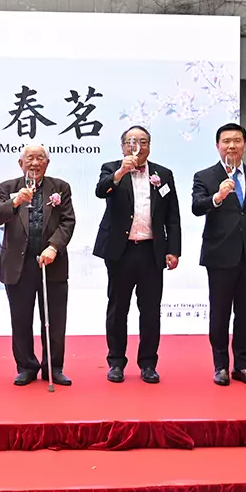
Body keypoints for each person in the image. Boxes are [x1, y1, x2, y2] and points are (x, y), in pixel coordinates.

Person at [93, 125, 182, 384]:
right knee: (118, 309)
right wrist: (121, 171)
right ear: (122, 146)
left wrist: (173, 249)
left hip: (151, 251)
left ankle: (148, 364)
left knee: (151, 311)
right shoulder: (111, 168)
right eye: (131, 141)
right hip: (120, 252)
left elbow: (172, 216)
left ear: (149, 146)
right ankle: (116, 362)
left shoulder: (163, 174)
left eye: (143, 142)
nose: (137, 146)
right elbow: (100, 191)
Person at [190, 122, 246, 387]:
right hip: (220, 256)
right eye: (226, 141)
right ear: (218, 146)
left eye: (237, 140)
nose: (232, 146)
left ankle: (242, 366)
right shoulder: (205, 176)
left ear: (244, 145)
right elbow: (196, 207)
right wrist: (217, 197)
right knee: (220, 313)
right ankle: (220, 366)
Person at [0, 145, 76, 386]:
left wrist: (54, 247)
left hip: (52, 263)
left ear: (47, 163)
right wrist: (15, 201)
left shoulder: (60, 188)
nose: (35, 163)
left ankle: (53, 368)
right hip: (19, 265)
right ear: (21, 163)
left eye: (40, 158)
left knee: (54, 320)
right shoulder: (7, 188)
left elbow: (68, 221)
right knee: (21, 319)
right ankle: (26, 366)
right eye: (30, 158)